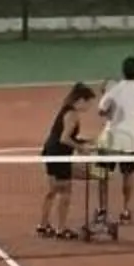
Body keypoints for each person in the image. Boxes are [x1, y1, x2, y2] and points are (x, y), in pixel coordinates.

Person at [92, 56, 134, 233]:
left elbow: (100, 111)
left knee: (101, 176)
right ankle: (126, 210)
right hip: (130, 142)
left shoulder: (113, 91)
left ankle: (102, 210)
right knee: (128, 175)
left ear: (122, 71)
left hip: (108, 140)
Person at [37, 82, 97, 238]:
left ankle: (42, 226)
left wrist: (83, 141)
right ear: (81, 100)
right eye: (88, 103)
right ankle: (61, 229)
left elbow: (62, 135)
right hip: (59, 155)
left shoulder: (65, 110)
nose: (88, 107)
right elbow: (64, 139)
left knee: (52, 191)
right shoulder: (73, 115)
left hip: (50, 152)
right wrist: (80, 148)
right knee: (65, 192)